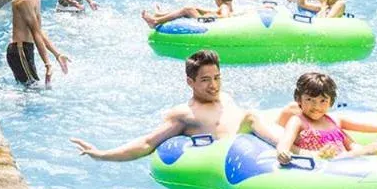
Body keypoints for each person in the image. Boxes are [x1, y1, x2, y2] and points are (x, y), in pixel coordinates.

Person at [70, 50, 284, 161]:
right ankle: (297, 150)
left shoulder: (225, 97)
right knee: (251, 116)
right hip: (229, 151)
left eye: (217, 78)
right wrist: (102, 154)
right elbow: (147, 143)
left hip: (255, 140)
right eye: (206, 80)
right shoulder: (184, 114)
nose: (214, 85)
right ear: (190, 82)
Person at [8, 0, 71, 87]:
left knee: (31, 88)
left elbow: (39, 30)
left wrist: (57, 54)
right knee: (32, 90)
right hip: (19, 51)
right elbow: (35, 33)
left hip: (26, 49)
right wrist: (47, 64)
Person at [141, 0, 234, 28]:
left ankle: (156, 21)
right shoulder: (228, 6)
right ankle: (160, 14)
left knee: (187, 9)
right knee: (193, 8)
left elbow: (224, 17)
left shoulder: (224, 7)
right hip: (207, 20)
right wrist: (206, 12)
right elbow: (216, 12)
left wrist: (210, 17)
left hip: (207, 23)